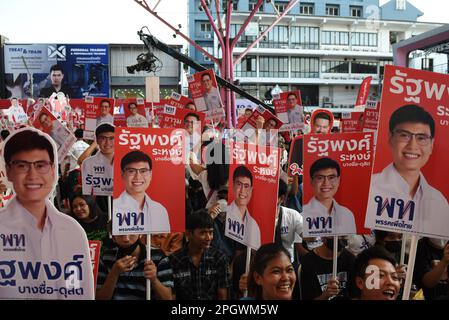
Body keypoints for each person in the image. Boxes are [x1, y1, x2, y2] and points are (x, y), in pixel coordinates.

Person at [0, 128, 94, 299]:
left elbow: (81, 291)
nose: (32, 175)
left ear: (53, 171)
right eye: (22, 166)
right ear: (9, 171)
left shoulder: (73, 231)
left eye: (40, 165)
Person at [366, 104, 449, 238]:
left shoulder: (438, 201)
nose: (413, 145)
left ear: (432, 145)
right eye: (404, 135)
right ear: (390, 138)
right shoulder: (368, 189)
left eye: (421, 138)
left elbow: (439, 244)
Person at [96, 224, 174, 300]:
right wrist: (114, 273)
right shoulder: (106, 257)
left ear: (140, 233)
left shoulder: (157, 256)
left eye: (131, 232)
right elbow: (100, 298)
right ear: (113, 238)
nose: (126, 239)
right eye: (120, 234)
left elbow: (168, 298)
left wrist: (154, 279)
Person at [169, 210, 231, 299]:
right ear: (188, 233)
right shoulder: (174, 260)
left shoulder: (219, 258)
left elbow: (223, 296)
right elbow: (172, 296)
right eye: (202, 233)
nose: (208, 237)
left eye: (211, 232)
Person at [114, 150, 170, 233]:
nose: (138, 177)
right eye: (131, 171)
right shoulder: (114, 208)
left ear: (150, 174)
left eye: (143, 171)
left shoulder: (160, 210)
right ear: (122, 174)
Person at [303, 158, 356, 235]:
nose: (326, 183)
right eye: (320, 178)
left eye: (331, 177)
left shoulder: (347, 214)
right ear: (311, 181)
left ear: (338, 180)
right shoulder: (303, 215)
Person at [225, 165, 261, 249]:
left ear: (251, 190)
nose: (242, 191)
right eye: (239, 184)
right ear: (233, 185)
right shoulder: (223, 214)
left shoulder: (254, 225)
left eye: (246, 186)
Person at [81, 123, 114, 196]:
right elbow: (87, 190)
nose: (107, 143)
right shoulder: (88, 163)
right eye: (103, 138)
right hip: (99, 202)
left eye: (111, 138)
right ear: (97, 140)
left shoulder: (125, 162)